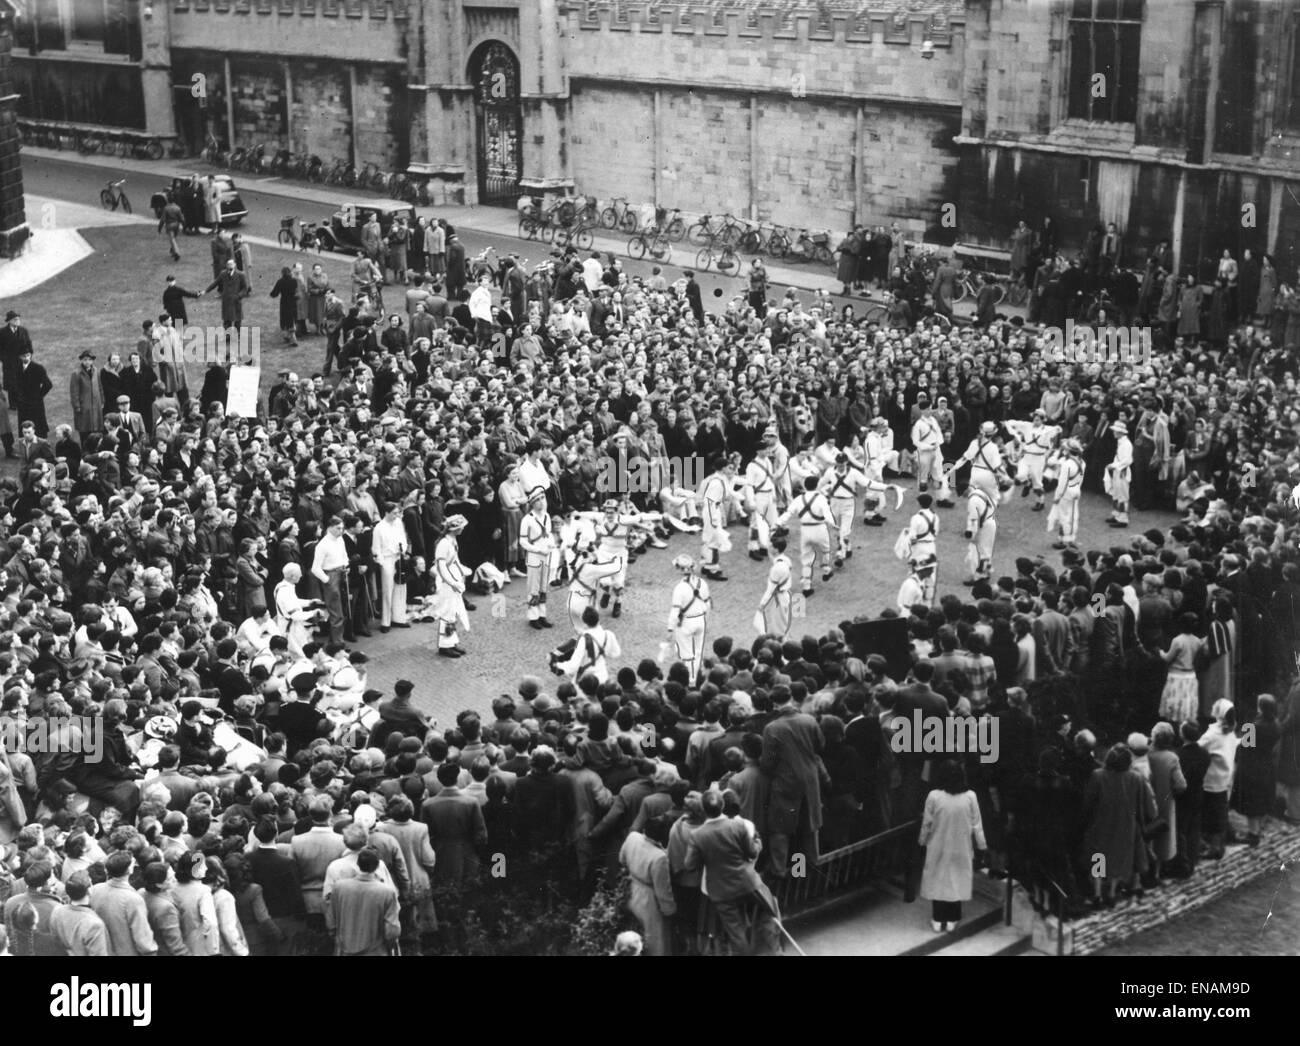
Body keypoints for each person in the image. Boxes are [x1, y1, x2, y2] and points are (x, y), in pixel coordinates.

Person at [682, 789, 780, 955]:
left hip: (722, 891)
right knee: (771, 909)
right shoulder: (738, 825)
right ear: (722, 805)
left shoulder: (697, 835)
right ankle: (773, 949)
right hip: (747, 882)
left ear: (704, 810)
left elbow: (690, 865)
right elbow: (752, 853)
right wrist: (757, 841)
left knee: (736, 934)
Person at [918, 759, 986, 933]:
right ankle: (953, 918)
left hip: (938, 846)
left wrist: (922, 841)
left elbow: (927, 823)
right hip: (961, 846)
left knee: (938, 879)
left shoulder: (934, 796)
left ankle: (937, 917)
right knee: (956, 880)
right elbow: (977, 824)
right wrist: (981, 845)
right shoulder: (970, 796)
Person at [619, 814, 677, 956]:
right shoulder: (659, 857)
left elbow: (621, 859)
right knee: (654, 940)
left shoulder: (633, 837)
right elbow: (663, 891)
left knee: (633, 935)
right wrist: (670, 910)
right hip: (648, 901)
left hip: (631, 890)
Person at [326, 847, 400, 956]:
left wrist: (338, 939)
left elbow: (331, 921)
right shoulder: (387, 892)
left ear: (358, 864)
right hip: (376, 951)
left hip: (345, 950)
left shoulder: (339, 887)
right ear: (377, 865)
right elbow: (391, 931)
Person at [776, 475, 835, 598]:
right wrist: (834, 524)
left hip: (805, 530)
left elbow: (788, 513)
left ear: (805, 486)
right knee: (825, 551)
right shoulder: (821, 498)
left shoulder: (798, 499)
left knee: (806, 560)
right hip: (819, 529)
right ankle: (826, 570)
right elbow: (827, 513)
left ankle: (807, 587)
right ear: (817, 485)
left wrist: (778, 523)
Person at [1233, 694, 1279, 847]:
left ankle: (1253, 834)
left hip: (1252, 767)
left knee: (1252, 802)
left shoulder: (1252, 726)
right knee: (1261, 800)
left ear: (1260, 707)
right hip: (1267, 766)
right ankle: (1256, 830)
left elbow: (1243, 748)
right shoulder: (1276, 724)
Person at [1197, 700, 1240, 860]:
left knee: (1213, 811)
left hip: (1212, 778)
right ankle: (1225, 835)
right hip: (1225, 776)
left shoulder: (1213, 734)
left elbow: (1197, 747)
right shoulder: (1230, 730)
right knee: (1221, 807)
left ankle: (1216, 847)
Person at [667, 554, 711, 685]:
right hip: (701, 620)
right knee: (698, 652)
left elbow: (675, 610)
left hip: (686, 623)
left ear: (679, 569)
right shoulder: (702, 583)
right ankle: (697, 677)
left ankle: (690, 682)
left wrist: (670, 629)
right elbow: (708, 604)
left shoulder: (679, 588)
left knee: (686, 654)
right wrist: (706, 621)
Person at [1103, 419, 1132, 527]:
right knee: (1116, 493)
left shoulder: (1127, 444)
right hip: (1117, 471)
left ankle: (1123, 519)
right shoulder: (1121, 442)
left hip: (1122, 472)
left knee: (1123, 495)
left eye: (1115, 431)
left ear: (1121, 432)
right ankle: (1116, 515)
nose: (1114, 432)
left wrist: (1114, 465)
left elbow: (1128, 460)